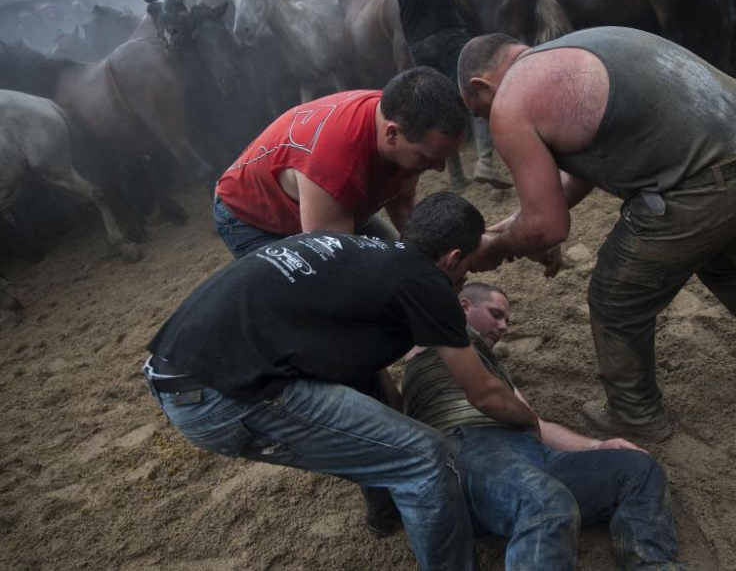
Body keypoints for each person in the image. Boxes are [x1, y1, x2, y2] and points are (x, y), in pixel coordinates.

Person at [456, 27, 736, 443]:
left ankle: (634, 413)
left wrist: (499, 246)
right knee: (722, 261)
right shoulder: (570, 51)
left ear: (481, 84)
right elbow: (574, 172)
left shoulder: (512, 98)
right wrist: (522, 221)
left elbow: (549, 227)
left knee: (615, 295)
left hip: (709, 183)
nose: (487, 120)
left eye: (479, 111)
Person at [144, 192, 539, 571]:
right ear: (453, 259)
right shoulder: (426, 283)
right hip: (221, 397)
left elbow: (352, 360)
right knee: (423, 457)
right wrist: (531, 421)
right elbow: (485, 394)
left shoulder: (353, 248)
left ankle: (388, 511)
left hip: (174, 366)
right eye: (467, 268)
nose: (464, 278)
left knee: (394, 438)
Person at [403, 282, 685, 569]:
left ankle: (653, 564)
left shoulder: (492, 371)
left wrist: (597, 445)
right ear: (464, 306)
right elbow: (421, 278)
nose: (504, 326)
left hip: (533, 459)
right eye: (496, 314)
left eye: (507, 320)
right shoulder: (434, 330)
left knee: (636, 470)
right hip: (471, 450)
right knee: (544, 503)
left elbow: (537, 424)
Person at [213, 66, 469, 258]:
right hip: (250, 217)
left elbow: (402, 204)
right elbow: (336, 264)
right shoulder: (336, 162)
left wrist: (434, 260)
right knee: (304, 297)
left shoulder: (405, 114)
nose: (439, 169)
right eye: (428, 159)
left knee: (403, 259)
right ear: (392, 134)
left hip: (334, 204)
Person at [376, 0, 509, 192]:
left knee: (435, 105)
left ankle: (456, 175)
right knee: (471, 88)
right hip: (445, 27)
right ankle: (485, 160)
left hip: (415, 38)